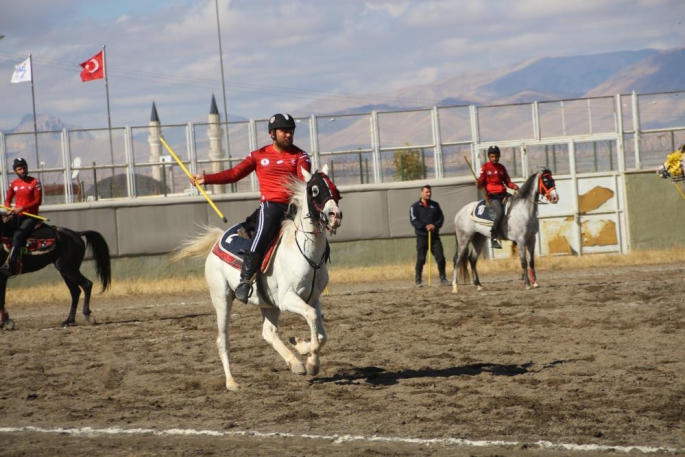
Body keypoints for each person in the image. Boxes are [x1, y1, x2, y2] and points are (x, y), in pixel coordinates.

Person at [191, 113, 311, 304]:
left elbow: (304, 179)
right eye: (284, 132)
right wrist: (206, 179)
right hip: (270, 207)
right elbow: (234, 174)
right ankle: (245, 280)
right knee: (262, 235)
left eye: (291, 131)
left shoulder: (300, 155)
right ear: (272, 134)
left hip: (293, 207)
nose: (288, 135)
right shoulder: (258, 155)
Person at [0, 157, 43, 275]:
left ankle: (10, 263)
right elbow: (7, 200)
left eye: (24, 168)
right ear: (15, 171)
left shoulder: (35, 182)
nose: (23, 170)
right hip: (17, 215)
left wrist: (22, 208)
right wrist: (9, 209)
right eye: (20, 169)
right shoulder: (14, 184)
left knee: (18, 234)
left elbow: (38, 201)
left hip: (31, 216)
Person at [477, 145, 519, 249]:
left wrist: (514, 186)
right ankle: (494, 237)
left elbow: (507, 182)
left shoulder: (501, 168)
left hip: (504, 194)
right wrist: (478, 184)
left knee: (516, 208)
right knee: (499, 213)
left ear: (499, 156)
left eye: (496, 156)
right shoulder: (485, 168)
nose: (494, 158)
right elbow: (481, 183)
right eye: (492, 156)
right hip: (493, 197)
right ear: (489, 157)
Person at [409, 184, 449, 287]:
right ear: (421, 193)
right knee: (421, 259)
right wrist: (424, 226)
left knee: (440, 258)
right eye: (426, 192)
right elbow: (414, 221)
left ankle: (443, 278)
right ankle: (418, 280)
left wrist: (434, 225)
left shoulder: (435, 205)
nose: (428, 194)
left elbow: (441, 218)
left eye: (430, 192)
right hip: (422, 237)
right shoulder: (415, 207)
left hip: (434, 237)